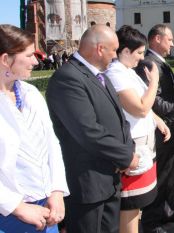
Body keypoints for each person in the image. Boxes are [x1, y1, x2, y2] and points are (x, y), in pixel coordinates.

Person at [47, 24, 139, 233]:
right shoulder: (67, 78)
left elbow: (119, 119)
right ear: (99, 49)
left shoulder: (100, 76)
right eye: (113, 50)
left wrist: (127, 150)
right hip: (87, 184)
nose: (115, 56)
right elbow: (88, 131)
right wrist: (125, 156)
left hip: (109, 178)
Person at [0, 25, 69, 233]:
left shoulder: (31, 93)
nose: (36, 61)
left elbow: (51, 144)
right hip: (4, 215)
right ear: (5, 60)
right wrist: (17, 208)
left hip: (44, 209)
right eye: (28, 55)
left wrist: (56, 192)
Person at [104, 26, 171, 233]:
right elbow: (140, 108)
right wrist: (155, 82)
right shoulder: (115, 74)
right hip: (133, 142)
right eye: (139, 53)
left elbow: (146, 108)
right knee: (130, 203)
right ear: (125, 51)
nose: (141, 58)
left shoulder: (128, 71)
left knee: (137, 202)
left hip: (144, 141)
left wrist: (158, 119)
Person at [134, 24, 174, 233]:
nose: (172, 44)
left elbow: (169, 95)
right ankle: (152, 222)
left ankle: (167, 211)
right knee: (160, 176)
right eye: (169, 39)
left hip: (173, 128)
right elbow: (154, 101)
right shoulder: (149, 63)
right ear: (157, 39)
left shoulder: (161, 63)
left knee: (170, 174)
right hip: (162, 130)